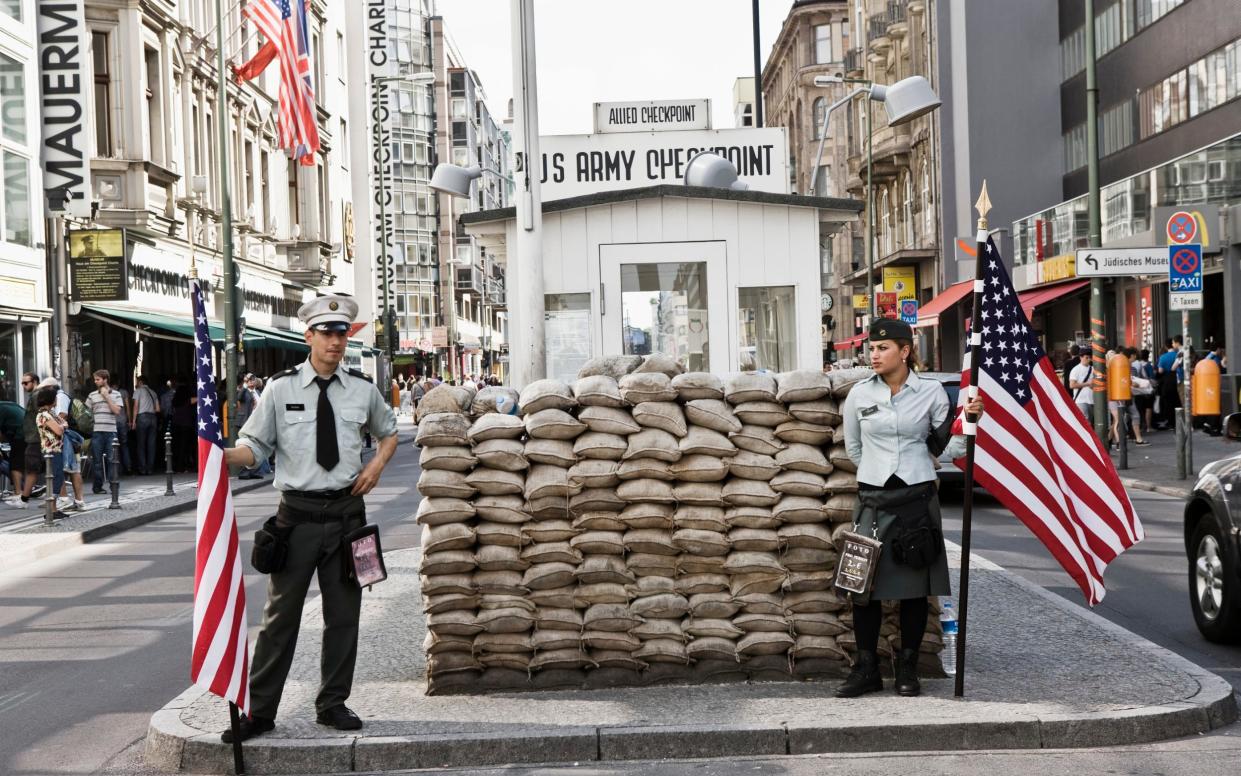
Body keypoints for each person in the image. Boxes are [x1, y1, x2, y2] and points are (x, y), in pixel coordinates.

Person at [220, 293, 398, 743]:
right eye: (327, 333)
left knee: (344, 616)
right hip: (296, 519)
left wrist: (376, 464)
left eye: (342, 333)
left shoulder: (362, 389)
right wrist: (219, 458)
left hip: (347, 518)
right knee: (281, 617)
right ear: (309, 337)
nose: (336, 341)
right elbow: (254, 449)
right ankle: (260, 712)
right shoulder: (279, 390)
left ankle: (332, 703)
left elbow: (389, 432)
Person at [837, 319, 984, 699]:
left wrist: (969, 421)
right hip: (872, 500)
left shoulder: (932, 393)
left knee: (915, 592)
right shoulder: (858, 395)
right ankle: (866, 668)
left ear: (904, 351)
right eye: (871, 348)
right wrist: (878, 472)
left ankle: (908, 667)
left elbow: (946, 449)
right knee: (862, 588)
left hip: (917, 503)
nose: (874, 354)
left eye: (882, 348)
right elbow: (854, 449)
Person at [45, 378, 86, 510]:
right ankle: (68, 499)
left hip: (66, 436)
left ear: (51, 388)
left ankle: (74, 500)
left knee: (70, 467)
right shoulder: (58, 397)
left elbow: (63, 415)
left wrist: (55, 424)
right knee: (66, 467)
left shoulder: (60, 397)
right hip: (64, 436)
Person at [34, 386, 70, 515]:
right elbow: (60, 429)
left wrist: (63, 425)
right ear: (50, 399)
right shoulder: (44, 415)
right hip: (51, 451)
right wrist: (62, 426)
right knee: (55, 477)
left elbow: (64, 424)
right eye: (55, 398)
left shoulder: (51, 413)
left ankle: (54, 509)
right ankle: (50, 510)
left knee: (58, 477)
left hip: (57, 449)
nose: (56, 400)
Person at [86, 370, 123, 494]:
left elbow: (117, 411)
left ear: (105, 379)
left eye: (98, 379)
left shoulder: (116, 394)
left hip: (111, 431)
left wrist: (107, 397)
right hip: (97, 431)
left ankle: (114, 485)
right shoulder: (92, 395)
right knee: (96, 461)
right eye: (95, 379)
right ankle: (97, 487)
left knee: (112, 460)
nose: (95, 382)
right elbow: (86, 413)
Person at [131, 375, 161, 475]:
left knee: (141, 444)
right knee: (151, 445)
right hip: (153, 418)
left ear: (140, 382)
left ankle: (143, 469)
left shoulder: (138, 391)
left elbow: (135, 406)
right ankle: (150, 469)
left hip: (142, 418)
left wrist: (134, 421)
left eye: (137, 382)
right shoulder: (153, 392)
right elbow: (158, 409)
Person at [1155, 337, 1183, 430]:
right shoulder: (1178, 354)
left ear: (1166, 346)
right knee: (1178, 401)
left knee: (1168, 403)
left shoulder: (1163, 357)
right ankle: (1180, 422)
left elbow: (1160, 371)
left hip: (1167, 381)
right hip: (1178, 380)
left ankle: (1170, 422)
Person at [1130, 348, 1156, 434]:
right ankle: (1147, 426)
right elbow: (1147, 377)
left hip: (1133, 390)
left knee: (1138, 409)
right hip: (1141, 389)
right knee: (1147, 408)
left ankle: (1138, 428)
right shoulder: (1146, 365)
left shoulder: (1134, 365)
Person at [110, 376, 132, 475]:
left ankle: (117, 470)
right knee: (124, 445)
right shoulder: (124, 392)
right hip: (123, 421)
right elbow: (128, 407)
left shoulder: (108, 393)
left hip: (113, 422)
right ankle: (128, 468)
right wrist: (130, 420)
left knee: (115, 446)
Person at [1068, 350, 1094, 422]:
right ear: (1081, 357)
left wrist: (1091, 385)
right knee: (1086, 421)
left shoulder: (1092, 369)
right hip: (1080, 400)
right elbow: (1072, 385)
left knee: (1089, 421)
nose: (1088, 360)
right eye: (1086, 358)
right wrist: (1087, 384)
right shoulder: (1076, 369)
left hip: (1091, 399)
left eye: (1090, 358)